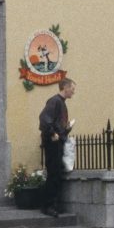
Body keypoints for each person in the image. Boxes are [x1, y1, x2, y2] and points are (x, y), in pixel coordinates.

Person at [39, 78, 76, 217]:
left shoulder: (60, 103)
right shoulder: (55, 101)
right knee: (53, 174)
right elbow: (44, 119)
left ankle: (52, 205)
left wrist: (66, 129)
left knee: (56, 174)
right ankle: (48, 206)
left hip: (57, 142)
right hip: (53, 143)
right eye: (72, 89)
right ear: (65, 88)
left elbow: (53, 122)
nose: (73, 92)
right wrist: (53, 133)